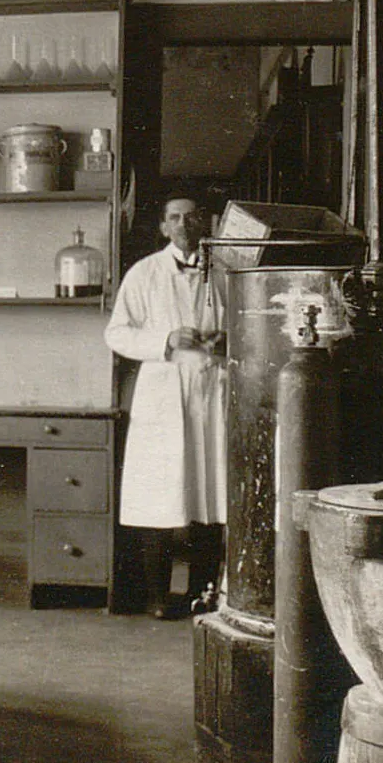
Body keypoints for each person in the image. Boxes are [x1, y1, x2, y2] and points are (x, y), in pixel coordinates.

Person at [104, 195, 227, 619]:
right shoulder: (145, 273)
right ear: (163, 227)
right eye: (175, 217)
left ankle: (201, 595)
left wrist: (226, 341)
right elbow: (116, 334)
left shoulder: (223, 273)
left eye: (191, 217)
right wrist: (165, 340)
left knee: (209, 496)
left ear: (204, 223)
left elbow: (244, 324)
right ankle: (157, 598)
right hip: (163, 394)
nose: (184, 224)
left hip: (211, 391)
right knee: (158, 496)